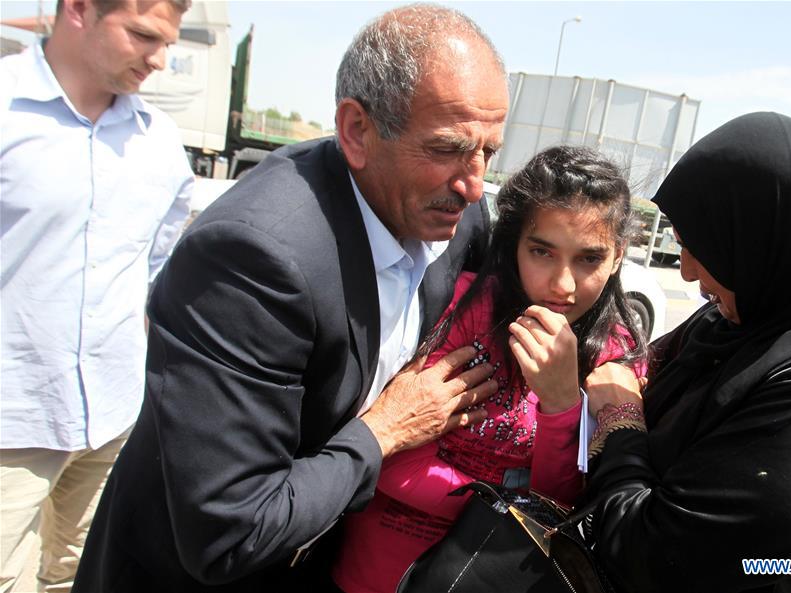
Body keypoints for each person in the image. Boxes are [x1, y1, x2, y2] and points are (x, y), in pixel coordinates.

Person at [72, 4, 508, 591]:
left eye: (489, 152)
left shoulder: (453, 207)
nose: (473, 183)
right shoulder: (252, 259)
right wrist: (386, 430)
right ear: (357, 130)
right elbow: (232, 531)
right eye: (446, 148)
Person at [580, 112, 791, 592]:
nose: (687, 272)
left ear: (768, 244)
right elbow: (637, 368)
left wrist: (620, 420)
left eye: (704, 247)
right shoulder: (750, 317)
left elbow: (652, 558)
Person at [332, 145, 648, 593]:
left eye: (588, 259)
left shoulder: (614, 356)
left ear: (618, 256)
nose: (562, 285)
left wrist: (560, 404)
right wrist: (505, 501)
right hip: (381, 573)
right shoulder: (463, 309)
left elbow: (561, 503)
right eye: (542, 252)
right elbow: (389, 456)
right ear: (515, 242)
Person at [0, 0, 193, 591]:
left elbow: (154, 274)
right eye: (142, 35)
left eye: (167, 42)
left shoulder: (159, 144)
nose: (159, 60)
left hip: (111, 416)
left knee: (83, 573)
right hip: (12, 421)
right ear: (79, 9)